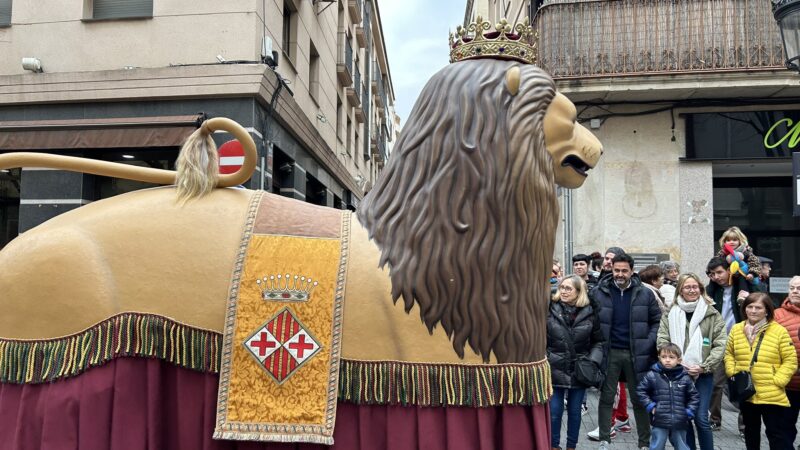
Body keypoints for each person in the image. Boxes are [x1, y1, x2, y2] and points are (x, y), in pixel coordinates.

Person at [593, 253, 662, 450]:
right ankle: (604, 440)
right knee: (606, 397)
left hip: (637, 353)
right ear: (611, 269)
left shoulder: (645, 293)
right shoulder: (599, 292)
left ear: (632, 271)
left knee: (639, 399)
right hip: (610, 352)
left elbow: (657, 320)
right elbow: (591, 319)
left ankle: (644, 443)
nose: (620, 274)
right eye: (616, 270)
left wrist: (648, 342)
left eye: (624, 270)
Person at [656, 274, 726, 450]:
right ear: (680, 290)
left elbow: (720, 344)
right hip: (677, 375)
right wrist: (676, 364)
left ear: (701, 289)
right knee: (684, 418)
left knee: (701, 418)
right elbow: (662, 340)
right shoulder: (670, 313)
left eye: (695, 287)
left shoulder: (712, 313)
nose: (692, 290)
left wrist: (703, 366)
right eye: (687, 287)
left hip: (703, 374)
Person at [725, 292, 797, 450]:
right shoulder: (737, 329)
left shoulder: (779, 331)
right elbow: (729, 353)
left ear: (767, 310)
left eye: (758, 307)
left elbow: (790, 360)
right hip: (746, 391)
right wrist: (732, 371)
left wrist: (778, 380)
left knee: (776, 434)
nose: (753, 311)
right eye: (750, 306)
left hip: (771, 392)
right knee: (750, 432)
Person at [547, 275, 605, 450]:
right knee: (554, 412)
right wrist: (546, 357)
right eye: (562, 287)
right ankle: (553, 446)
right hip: (554, 367)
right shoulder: (549, 308)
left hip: (579, 369)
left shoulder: (590, 312)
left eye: (568, 288)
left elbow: (598, 341)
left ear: (579, 292)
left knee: (574, 412)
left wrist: (592, 361)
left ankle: (571, 446)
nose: (563, 291)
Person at [705, 256, 760, 432]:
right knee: (715, 383)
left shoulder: (743, 286)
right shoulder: (712, 290)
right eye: (712, 274)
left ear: (730, 270)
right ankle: (714, 419)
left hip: (742, 341)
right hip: (719, 342)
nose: (716, 277)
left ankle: (744, 424)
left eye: (719, 272)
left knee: (744, 383)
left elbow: (762, 299)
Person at [636, 343, 699, 450]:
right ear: (659, 358)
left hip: (680, 420)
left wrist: (688, 412)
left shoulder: (685, 377)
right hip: (660, 419)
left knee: (682, 446)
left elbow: (694, 397)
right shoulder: (653, 375)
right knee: (657, 446)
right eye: (664, 357)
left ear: (679, 360)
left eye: (671, 357)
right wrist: (651, 406)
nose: (667, 360)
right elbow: (641, 391)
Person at [773, 276, 800, 445]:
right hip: (786, 384)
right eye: (792, 288)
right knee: (784, 428)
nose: (795, 291)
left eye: (799, 288)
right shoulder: (777, 315)